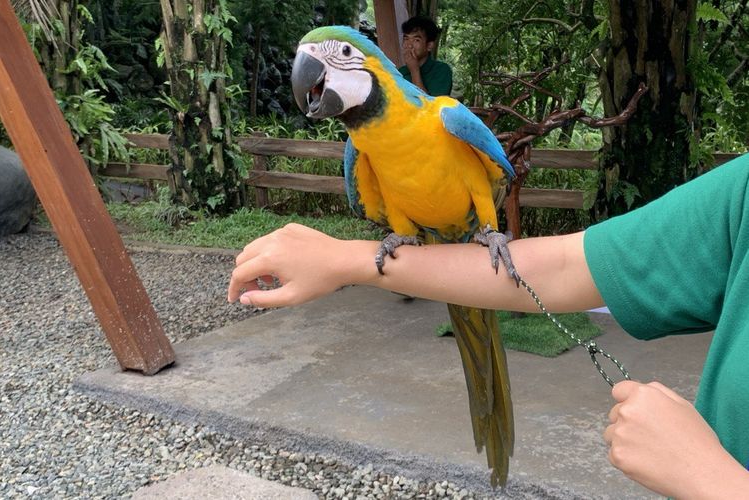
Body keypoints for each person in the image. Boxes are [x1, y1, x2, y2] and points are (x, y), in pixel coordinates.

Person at [228, 153, 749, 497]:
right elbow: (566, 266)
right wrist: (356, 260)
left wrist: (710, 478)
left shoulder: (447, 119)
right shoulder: (741, 190)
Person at [397, 16, 453, 96]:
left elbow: (432, 107)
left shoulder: (442, 70)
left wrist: (414, 71)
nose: (409, 45)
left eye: (416, 40)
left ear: (429, 46)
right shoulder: (400, 72)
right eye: (406, 39)